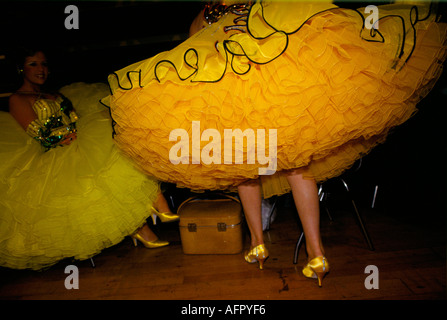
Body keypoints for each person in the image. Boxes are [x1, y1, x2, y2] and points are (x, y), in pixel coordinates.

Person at [101, 0, 447, 287]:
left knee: (255, 171)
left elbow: (194, 63)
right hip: (260, 99)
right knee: (285, 169)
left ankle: (260, 244)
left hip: (260, 98)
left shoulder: (209, 14)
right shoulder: (224, 11)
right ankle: (314, 251)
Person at [0, 48, 179, 271]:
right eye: (33, 64)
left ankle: (148, 218)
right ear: (21, 68)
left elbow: (74, 118)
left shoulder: (55, 94)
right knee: (101, 163)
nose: (41, 69)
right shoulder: (18, 98)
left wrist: (78, 134)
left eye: (44, 64)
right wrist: (69, 136)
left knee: (115, 148)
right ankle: (148, 221)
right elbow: (40, 135)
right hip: (53, 152)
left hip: (77, 144)